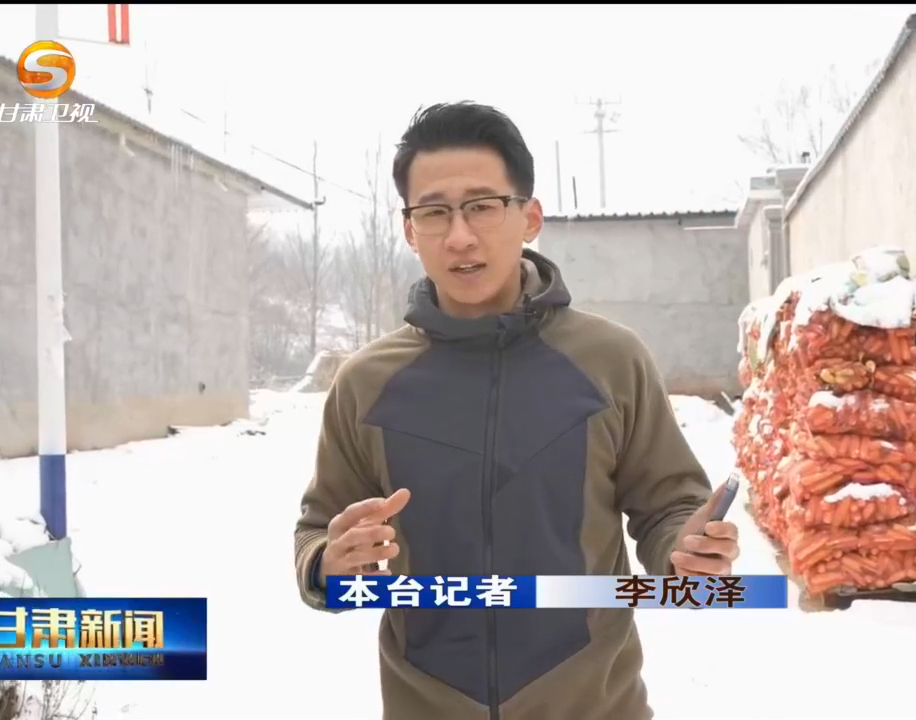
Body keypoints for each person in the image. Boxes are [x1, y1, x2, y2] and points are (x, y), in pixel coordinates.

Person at [293, 101, 741, 720]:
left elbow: (668, 506)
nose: (459, 235)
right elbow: (318, 528)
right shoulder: (367, 383)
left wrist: (685, 549)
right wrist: (327, 562)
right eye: (434, 212)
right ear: (409, 230)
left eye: (482, 206)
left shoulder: (610, 361)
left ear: (529, 217)